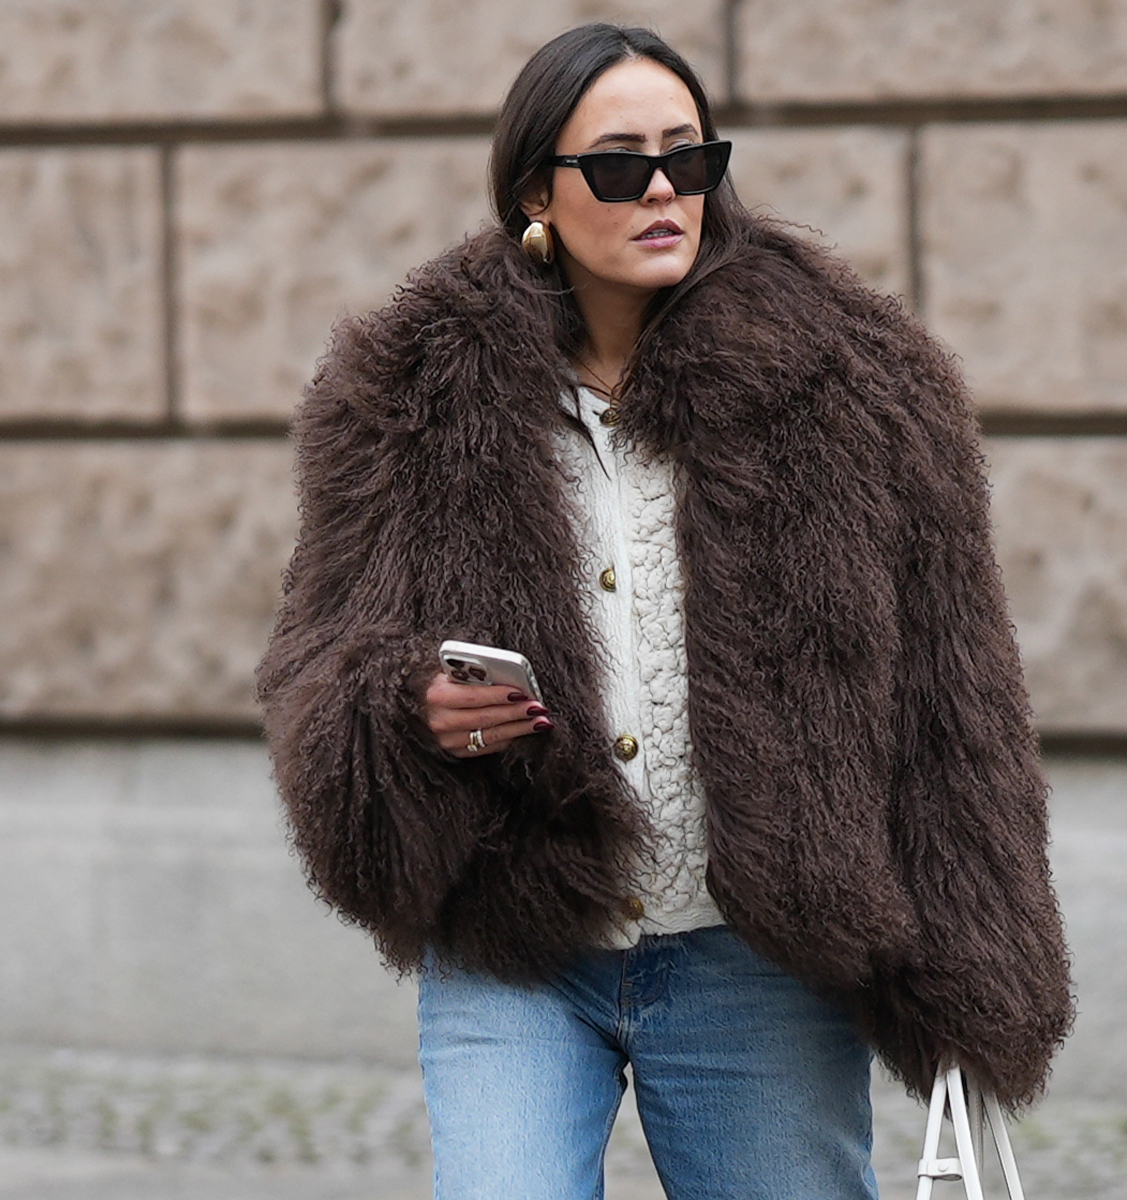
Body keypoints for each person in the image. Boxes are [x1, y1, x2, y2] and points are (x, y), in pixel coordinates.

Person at [257, 22, 1072, 1200]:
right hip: (516, 937)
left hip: (761, 955)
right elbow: (316, 657)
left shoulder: (854, 384)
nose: (660, 191)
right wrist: (406, 709)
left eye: (688, 160)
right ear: (538, 186)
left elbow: (960, 702)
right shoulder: (406, 396)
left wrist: (981, 979)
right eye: (619, 163)